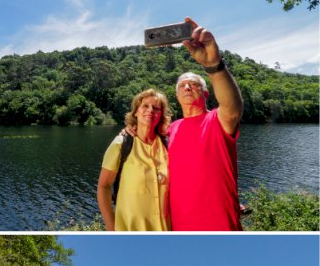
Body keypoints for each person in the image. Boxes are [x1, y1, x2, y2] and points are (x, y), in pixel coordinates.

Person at [166, 17, 244, 231]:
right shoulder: (171, 129)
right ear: (177, 95)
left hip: (220, 227)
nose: (188, 87)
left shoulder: (217, 120)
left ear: (206, 93)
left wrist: (213, 66)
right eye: (182, 85)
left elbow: (233, 108)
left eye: (194, 84)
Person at [98, 89, 172, 231]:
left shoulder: (168, 146)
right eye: (145, 106)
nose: (150, 110)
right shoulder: (121, 144)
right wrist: (111, 227)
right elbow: (104, 186)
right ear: (136, 112)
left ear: (161, 115)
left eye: (156, 108)